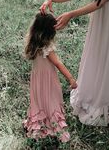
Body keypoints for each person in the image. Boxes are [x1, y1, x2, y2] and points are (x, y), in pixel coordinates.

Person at [23, 12, 77, 142]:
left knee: (39, 102)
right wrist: (70, 78)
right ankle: (54, 128)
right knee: (51, 101)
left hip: (37, 81)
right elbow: (58, 64)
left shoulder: (33, 43)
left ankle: (38, 127)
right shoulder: (47, 47)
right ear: (49, 31)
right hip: (48, 81)